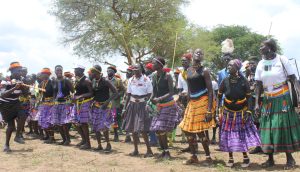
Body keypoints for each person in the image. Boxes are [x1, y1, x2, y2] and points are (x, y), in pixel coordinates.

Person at [255, 39, 300, 170]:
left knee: (283, 126)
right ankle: (270, 159)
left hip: (282, 98)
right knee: (268, 127)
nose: (260, 49)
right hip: (268, 100)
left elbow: (293, 78)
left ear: (270, 47)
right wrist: (257, 103)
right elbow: (258, 84)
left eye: (262, 46)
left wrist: (299, 93)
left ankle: (290, 159)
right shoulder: (261, 63)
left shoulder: (282, 60)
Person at [218, 59, 261, 168]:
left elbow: (249, 97)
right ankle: (230, 158)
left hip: (241, 112)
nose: (228, 67)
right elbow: (219, 94)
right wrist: (219, 108)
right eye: (228, 66)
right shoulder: (225, 80)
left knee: (241, 136)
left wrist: (248, 111)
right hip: (228, 112)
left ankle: (246, 158)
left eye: (231, 66)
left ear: (237, 68)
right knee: (228, 136)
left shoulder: (243, 81)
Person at [179, 49, 215, 164]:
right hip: (192, 102)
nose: (199, 54)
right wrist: (187, 104)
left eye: (201, 53)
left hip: (203, 101)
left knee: (200, 131)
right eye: (197, 53)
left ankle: (208, 157)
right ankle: (194, 156)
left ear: (203, 57)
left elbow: (210, 91)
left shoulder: (205, 71)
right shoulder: (188, 71)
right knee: (187, 129)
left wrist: (209, 110)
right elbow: (189, 89)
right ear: (192, 55)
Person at [150, 57, 179, 159]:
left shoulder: (168, 76)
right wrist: (150, 100)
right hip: (159, 105)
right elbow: (154, 90)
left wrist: (159, 98)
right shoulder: (154, 76)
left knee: (161, 128)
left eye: (154, 63)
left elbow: (171, 92)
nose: (152, 65)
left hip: (168, 105)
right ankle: (163, 151)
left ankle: (167, 152)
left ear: (160, 65)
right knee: (157, 130)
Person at [122, 64, 153, 157]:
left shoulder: (146, 80)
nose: (135, 71)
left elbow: (150, 94)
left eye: (137, 69)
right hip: (132, 105)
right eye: (134, 69)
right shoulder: (131, 80)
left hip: (142, 105)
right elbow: (128, 94)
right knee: (133, 129)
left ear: (141, 69)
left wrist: (147, 103)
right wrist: (124, 108)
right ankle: (135, 150)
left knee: (142, 129)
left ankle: (149, 151)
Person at [0, 62, 28, 152]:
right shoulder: (5, 80)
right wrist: (15, 88)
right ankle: (6, 145)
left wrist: (24, 88)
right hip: (5, 105)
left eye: (21, 70)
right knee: (11, 126)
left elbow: (26, 95)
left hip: (16, 103)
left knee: (23, 115)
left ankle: (18, 136)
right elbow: (3, 95)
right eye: (18, 70)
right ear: (12, 71)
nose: (20, 72)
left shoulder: (21, 80)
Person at [90, 65, 117, 152]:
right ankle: (99, 145)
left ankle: (108, 144)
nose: (91, 73)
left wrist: (107, 102)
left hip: (105, 106)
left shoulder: (105, 81)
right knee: (95, 125)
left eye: (93, 72)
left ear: (97, 72)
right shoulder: (93, 81)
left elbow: (115, 92)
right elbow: (93, 93)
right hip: (96, 106)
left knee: (104, 125)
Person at [51, 65, 74, 145]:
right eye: (57, 70)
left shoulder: (66, 80)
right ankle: (64, 139)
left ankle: (68, 139)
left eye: (60, 70)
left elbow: (73, 91)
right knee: (58, 123)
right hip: (56, 104)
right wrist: (54, 100)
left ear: (62, 70)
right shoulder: (54, 81)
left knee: (64, 123)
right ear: (55, 71)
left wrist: (71, 101)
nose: (59, 72)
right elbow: (54, 92)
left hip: (65, 103)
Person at [73, 65, 93, 149]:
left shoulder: (87, 81)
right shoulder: (78, 80)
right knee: (75, 122)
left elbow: (91, 93)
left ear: (81, 71)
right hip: (77, 103)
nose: (74, 72)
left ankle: (88, 143)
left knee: (84, 123)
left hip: (84, 103)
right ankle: (83, 140)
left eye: (76, 70)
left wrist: (80, 96)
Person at [107, 65, 125, 142]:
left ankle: (116, 135)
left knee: (114, 119)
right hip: (105, 103)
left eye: (110, 71)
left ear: (114, 72)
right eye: (107, 70)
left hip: (114, 103)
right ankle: (106, 136)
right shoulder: (104, 80)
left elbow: (123, 90)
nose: (108, 72)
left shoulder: (118, 81)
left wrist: (118, 95)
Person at [38, 68, 55, 144]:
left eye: (43, 74)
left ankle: (52, 137)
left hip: (51, 104)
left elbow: (55, 92)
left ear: (47, 75)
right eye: (41, 74)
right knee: (43, 120)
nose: (41, 75)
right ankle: (47, 135)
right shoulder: (41, 84)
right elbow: (40, 94)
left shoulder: (52, 82)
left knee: (49, 121)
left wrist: (54, 99)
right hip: (44, 104)